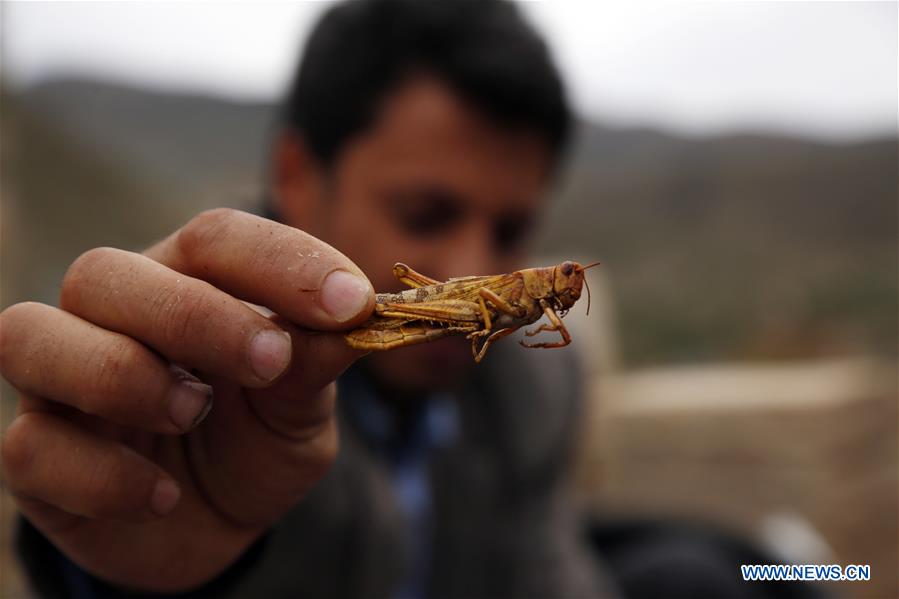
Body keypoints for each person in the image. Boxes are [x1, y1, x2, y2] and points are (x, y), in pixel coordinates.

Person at [1, 0, 614, 597]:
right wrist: (141, 583)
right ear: (295, 176)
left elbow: (550, 574)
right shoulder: (203, 359)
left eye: (511, 232)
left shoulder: (541, 388)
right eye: (424, 215)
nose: (472, 263)